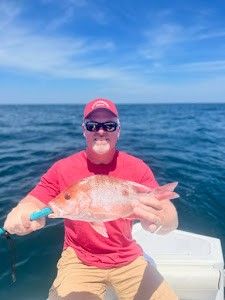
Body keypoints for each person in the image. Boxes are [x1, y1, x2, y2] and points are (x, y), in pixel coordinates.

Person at [4, 98, 179, 300]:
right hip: (79, 260)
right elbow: (33, 202)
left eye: (109, 125)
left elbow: (168, 216)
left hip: (128, 257)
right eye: (92, 125)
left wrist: (160, 222)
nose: (101, 131)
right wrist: (21, 215)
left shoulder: (137, 167)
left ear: (118, 131)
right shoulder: (63, 168)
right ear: (84, 130)